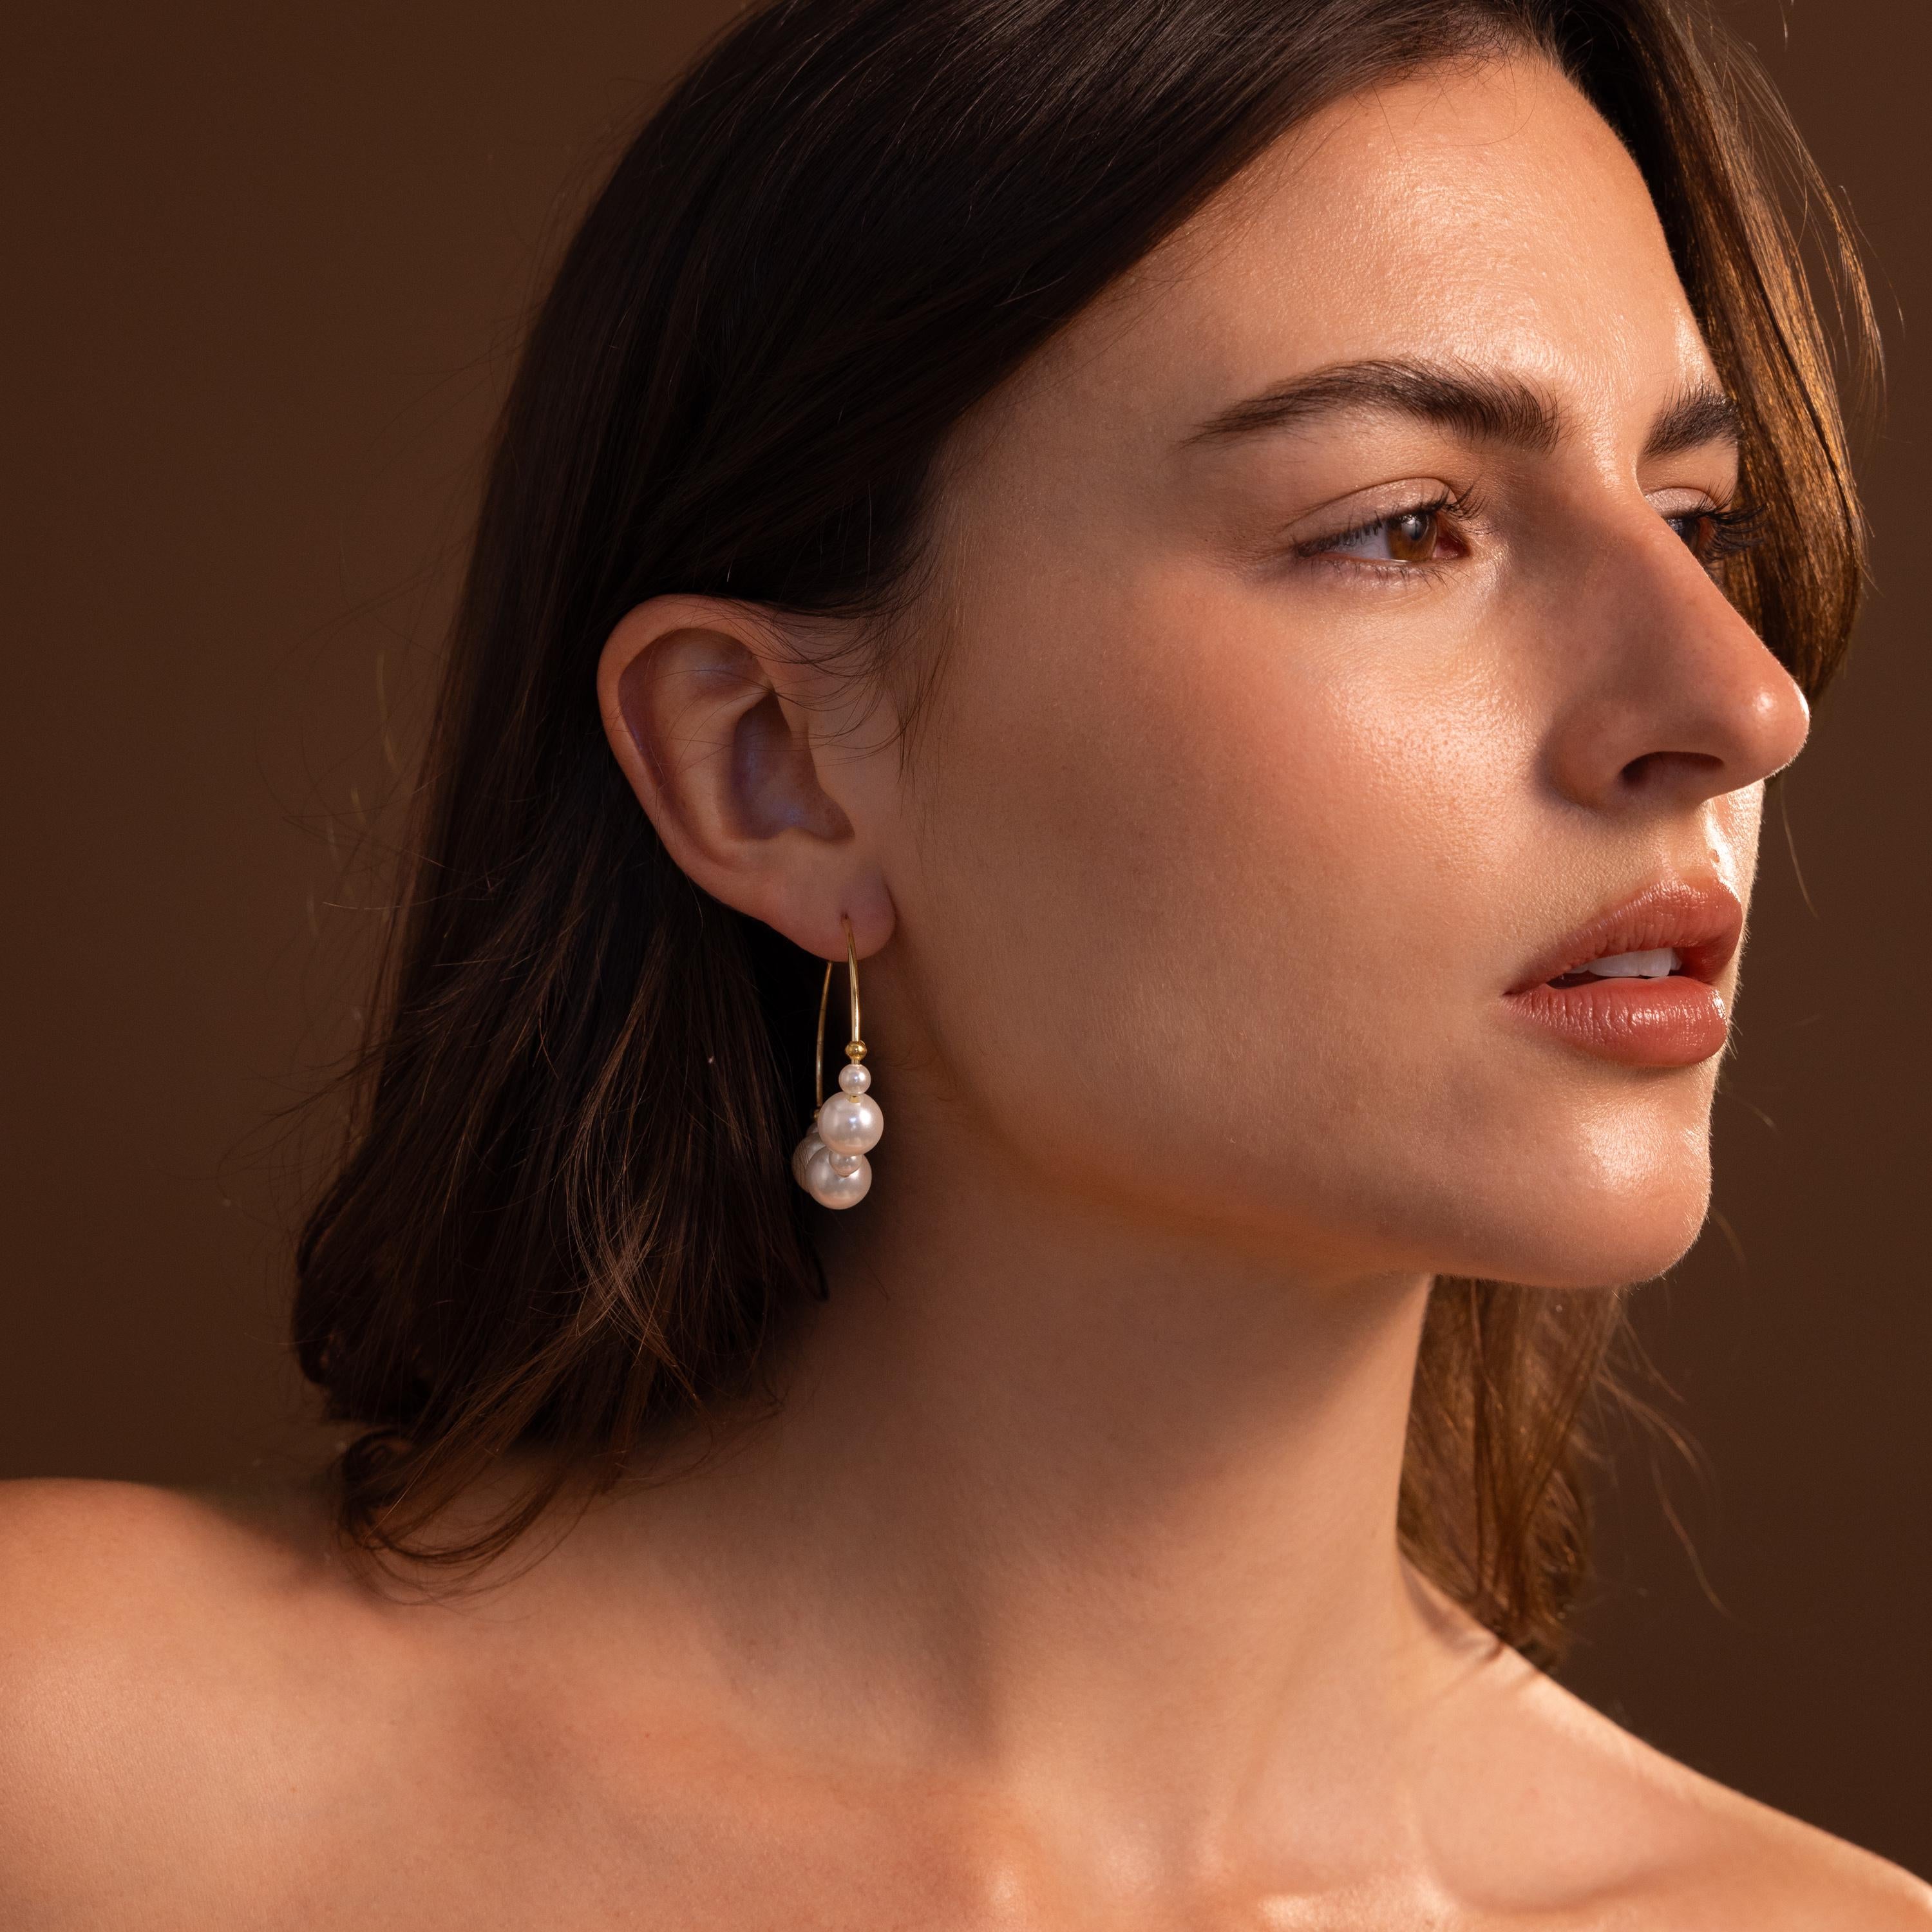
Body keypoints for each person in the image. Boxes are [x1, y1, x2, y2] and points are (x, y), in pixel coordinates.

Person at [2, 0, 1925, 1923]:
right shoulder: (72, 1777)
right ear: (772, 768)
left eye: (1700, 520)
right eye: (1404, 526)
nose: (1739, 700)